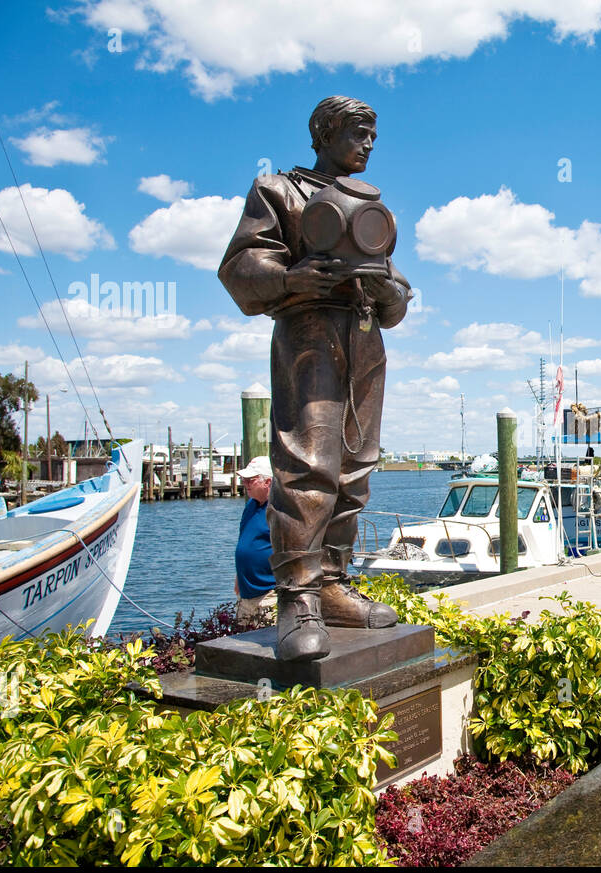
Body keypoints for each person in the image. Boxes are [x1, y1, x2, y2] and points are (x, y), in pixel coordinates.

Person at [218, 95, 408, 661]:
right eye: (357, 131)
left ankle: (330, 582)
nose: (368, 143)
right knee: (308, 464)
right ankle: (297, 597)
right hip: (308, 337)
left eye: (373, 133)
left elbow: (398, 295)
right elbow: (241, 266)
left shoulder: (371, 206)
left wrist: (387, 291)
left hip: (364, 340)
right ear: (324, 134)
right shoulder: (279, 190)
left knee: (356, 464)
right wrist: (293, 277)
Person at [234, 456, 277, 626]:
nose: (245, 484)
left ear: (267, 482)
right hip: (246, 595)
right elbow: (244, 540)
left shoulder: (279, 510)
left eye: (250, 480)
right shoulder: (251, 505)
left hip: (269, 595)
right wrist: (239, 576)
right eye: (243, 480)